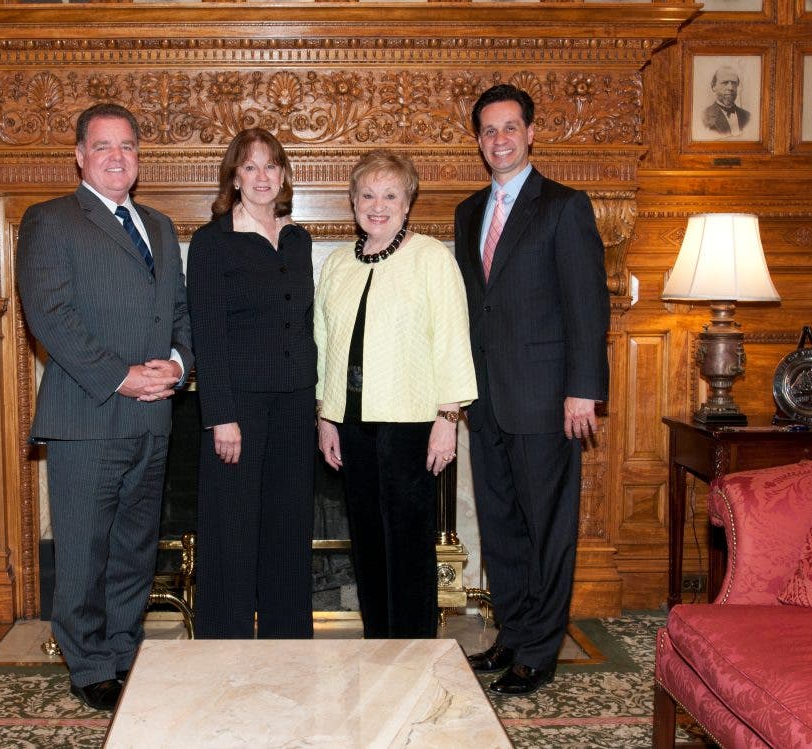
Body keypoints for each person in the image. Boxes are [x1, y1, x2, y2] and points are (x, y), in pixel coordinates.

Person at [16, 102, 193, 711]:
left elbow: (179, 311)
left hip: (153, 417)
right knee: (85, 550)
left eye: (127, 146)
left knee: (134, 550)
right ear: (80, 156)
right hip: (88, 416)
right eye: (103, 145)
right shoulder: (50, 220)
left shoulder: (160, 227)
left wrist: (179, 364)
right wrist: (122, 377)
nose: (117, 157)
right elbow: (49, 315)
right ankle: (89, 663)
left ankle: (123, 652)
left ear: (139, 156)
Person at [454, 84, 610, 695]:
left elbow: (586, 305)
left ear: (531, 133)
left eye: (510, 127)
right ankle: (513, 635)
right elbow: (477, 307)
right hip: (486, 398)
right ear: (479, 140)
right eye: (489, 130)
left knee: (547, 529)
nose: (500, 139)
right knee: (501, 526)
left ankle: (541, 650)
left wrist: (583, 390)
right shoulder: (469, 213)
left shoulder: (564, 207)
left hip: (548, 400)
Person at [315, 149, 477, 640]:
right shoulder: (338, 264)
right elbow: (324, 344)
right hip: (352, 425)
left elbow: (452, 337)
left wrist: (448, 419)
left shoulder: (431, 258)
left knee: (407, 544)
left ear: (408, 203)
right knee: (366, 541)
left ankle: (413, 655)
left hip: (411, 426)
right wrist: (325, 416)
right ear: (353, 202)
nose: (378, 205)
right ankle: (378, 647)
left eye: (390, 195)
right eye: (368, 195)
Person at [187, 128, 317, 639]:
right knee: (231, 532)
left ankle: (289, 648)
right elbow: (207, 334)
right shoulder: (212, 242)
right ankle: (225, 650)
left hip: (295, 405)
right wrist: (221, 416)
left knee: (288, 530)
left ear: (282, 175)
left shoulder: (298, 240)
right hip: (236, 409)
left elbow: (305, 324)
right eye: (250, 166)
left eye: (270, 166)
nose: (262, 176)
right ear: (234, 178)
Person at [701, 66, 751, 136]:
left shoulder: (748, 116)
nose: (730, 88)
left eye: (734, 83)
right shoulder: (705, 117)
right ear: (714, 87)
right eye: (725, 83)